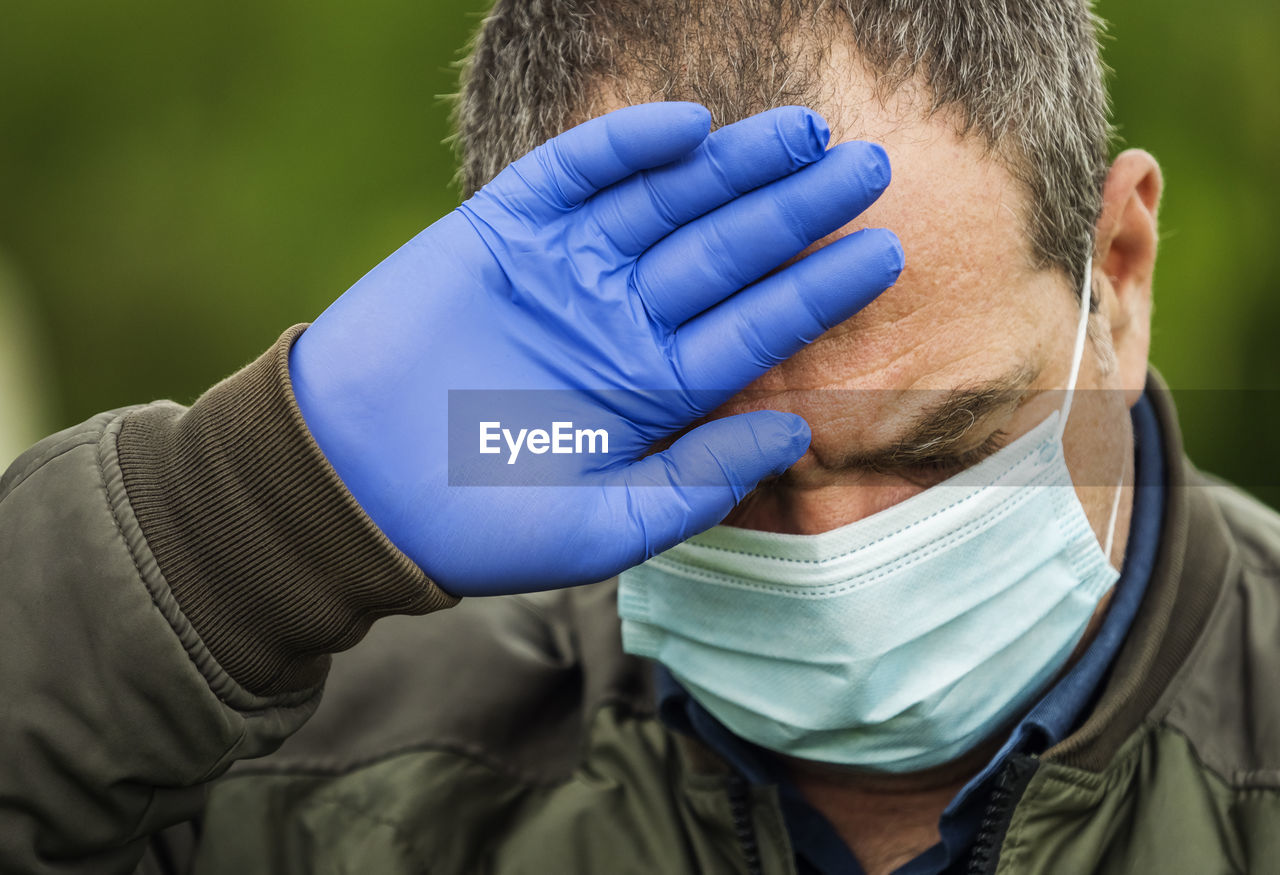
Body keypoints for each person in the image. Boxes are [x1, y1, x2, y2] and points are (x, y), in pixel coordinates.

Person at [2, 1, 1277, 873]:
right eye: (720, 472)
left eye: (942, 449)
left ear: (1116, 270)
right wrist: (245, 524)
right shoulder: (302, 785)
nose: (841, 552)